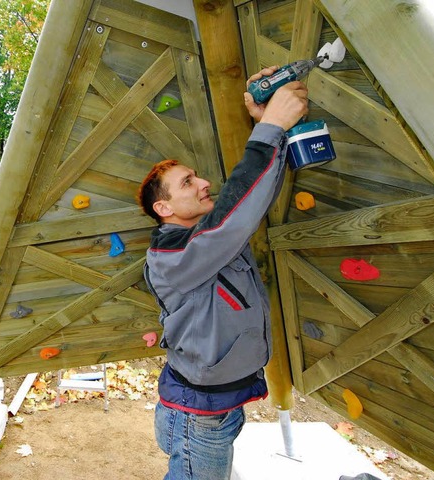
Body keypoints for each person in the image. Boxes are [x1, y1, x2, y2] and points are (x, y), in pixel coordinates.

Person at [136, 67, 309, 480]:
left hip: (212, 406)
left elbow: (247, 201)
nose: (204, 183)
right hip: (200, 416)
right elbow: (235, 212)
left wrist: (272, 123)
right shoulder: (173, 254)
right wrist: (269, 128)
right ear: (165, 209)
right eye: (188, 182)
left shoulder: (201, 240)